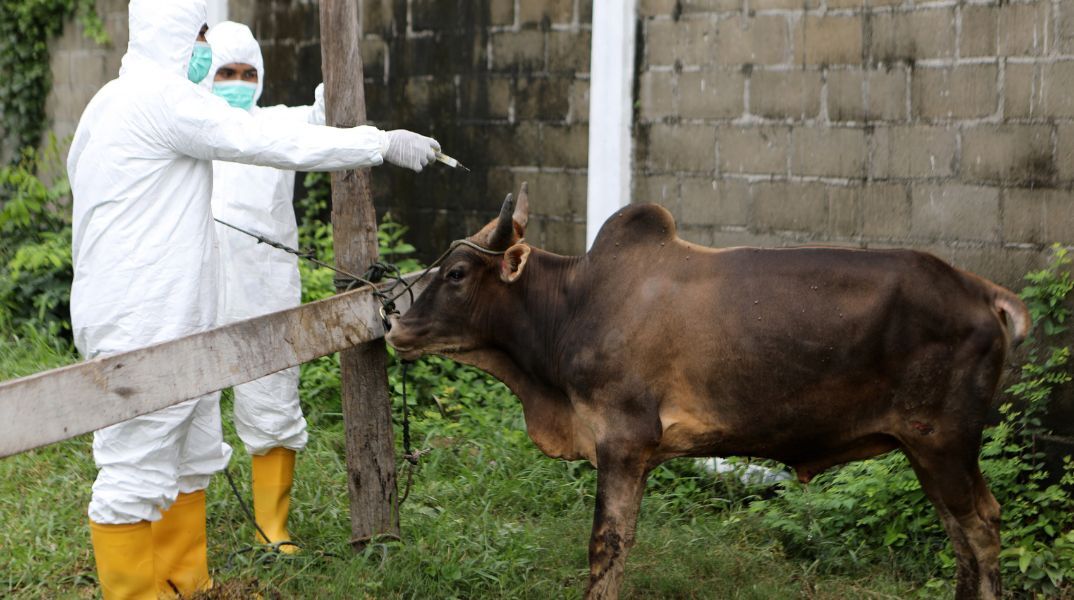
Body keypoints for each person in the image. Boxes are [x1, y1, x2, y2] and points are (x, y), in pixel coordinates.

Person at [67, 2, 439, 598]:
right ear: (173, 32)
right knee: (134, 470)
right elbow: (264, 137)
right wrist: (378, 143)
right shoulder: (160, 98)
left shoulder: (106, 103)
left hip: (161, 314)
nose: (205, 48)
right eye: (201, 35)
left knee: (189, 453)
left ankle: (187, 581)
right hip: (147, 318)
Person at [202, 20, 322, 556]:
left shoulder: (276, 124)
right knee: (186, 405)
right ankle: (179, 528)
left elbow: (324, 118)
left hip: (264, 288)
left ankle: (272, 526)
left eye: (248, 73)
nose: (238, 82)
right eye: (226, 72)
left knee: (273, 399)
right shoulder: (186, 125)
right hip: (198, 287)